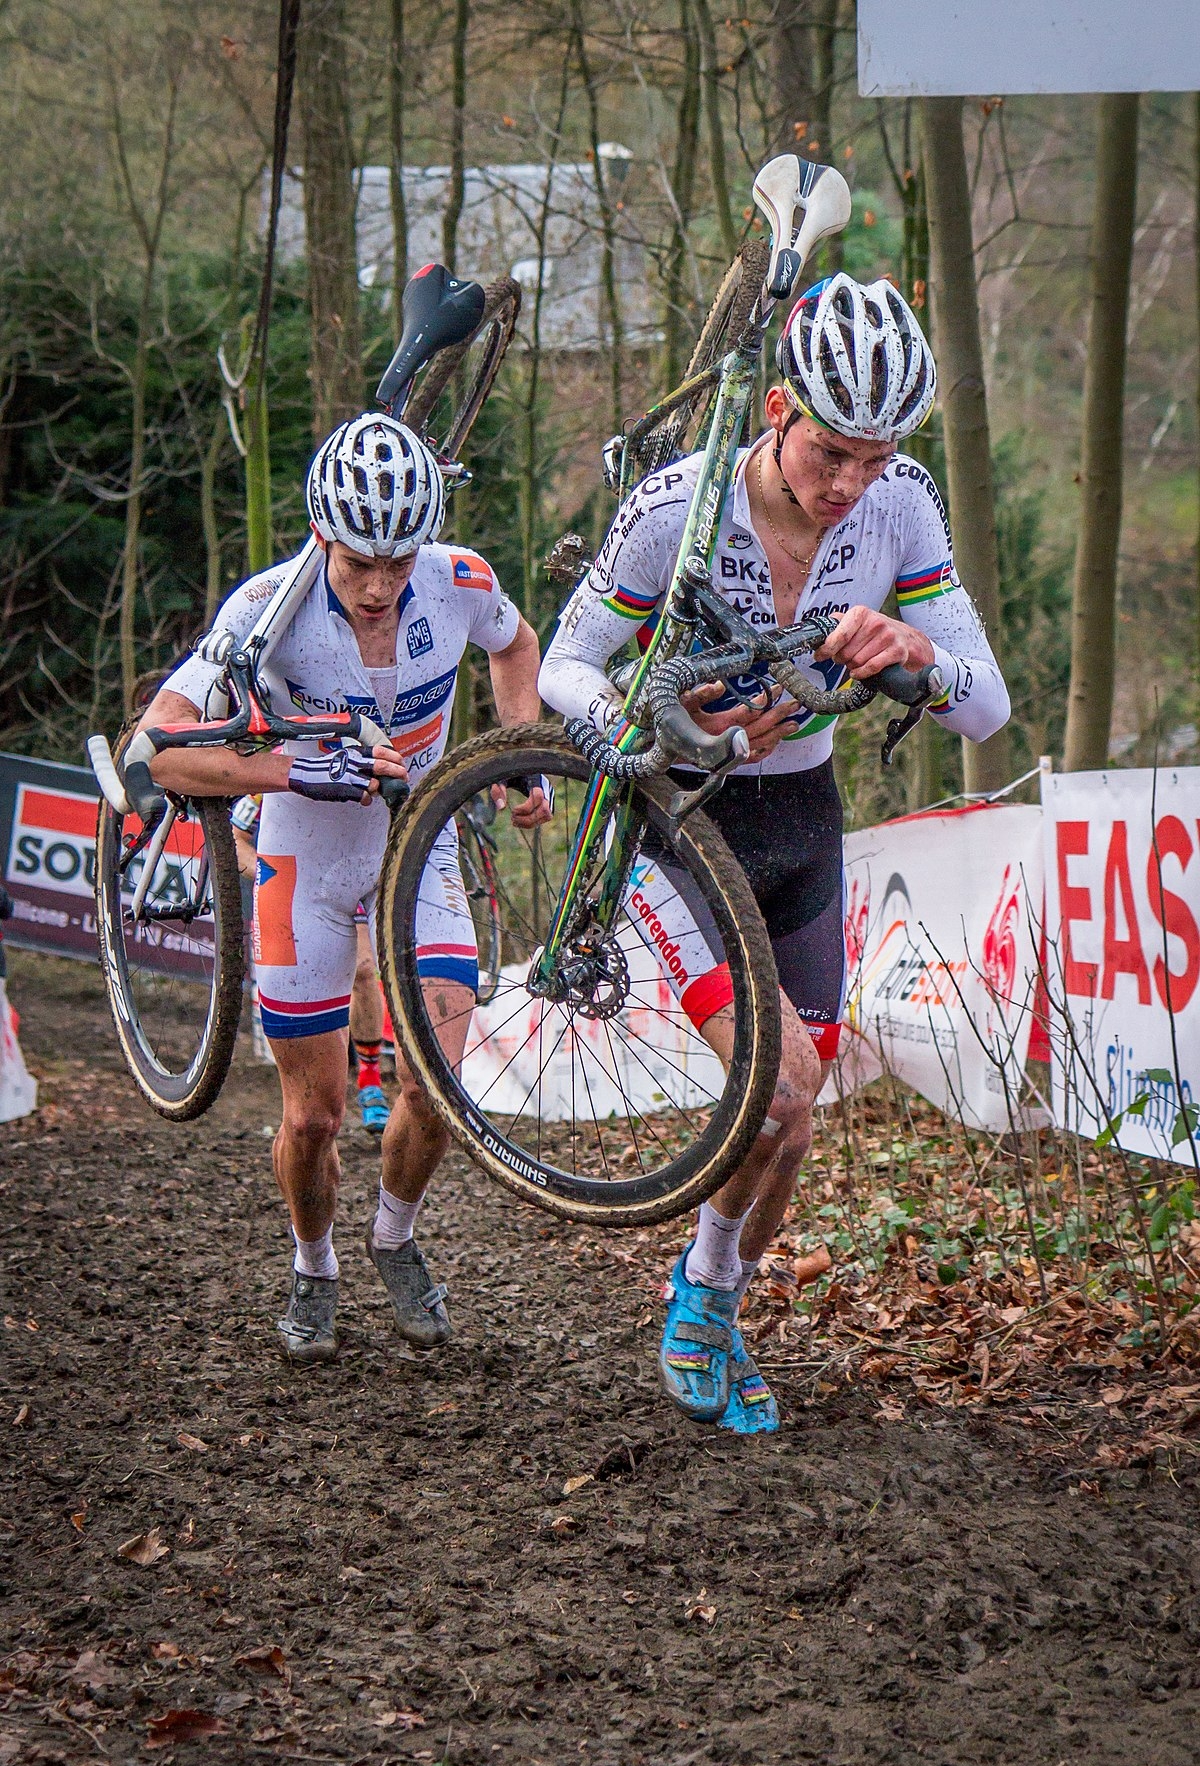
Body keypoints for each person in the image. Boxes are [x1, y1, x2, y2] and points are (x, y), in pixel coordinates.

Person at [538, 273, 1011, 1434]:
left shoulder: (901, 505)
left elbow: (986, 707)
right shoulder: (677, 509)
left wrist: (917, 651)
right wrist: (662, 732)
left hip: (802, 820)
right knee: (783, 1082)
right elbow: (563, 668)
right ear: (777, 411)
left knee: (795, 1115)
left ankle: (707, 1298)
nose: (850, 483)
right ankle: (703, 1301)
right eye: (830, 452)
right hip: (677, 825)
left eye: (876, 452)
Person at [139, 413, 548, 1363]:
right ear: (322, 534)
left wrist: (522, 754)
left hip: (424, 848)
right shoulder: (265, 609)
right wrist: (287, 771)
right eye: (359, 560)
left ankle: (394, 1237)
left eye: (397, 563)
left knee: (437, 1086)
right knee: (315, 1114)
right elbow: (157, 752)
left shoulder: (459, 580)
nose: (377, 585)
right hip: (302, 863)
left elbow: (517, 645)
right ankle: (314, 1259)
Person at [231, 797, 388, 1135]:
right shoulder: (271, 770)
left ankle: (370, 1082)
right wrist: (272, 875)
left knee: (363, 971)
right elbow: (235, 837)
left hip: (345, 879)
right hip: (293, 891)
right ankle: (312, 1100)